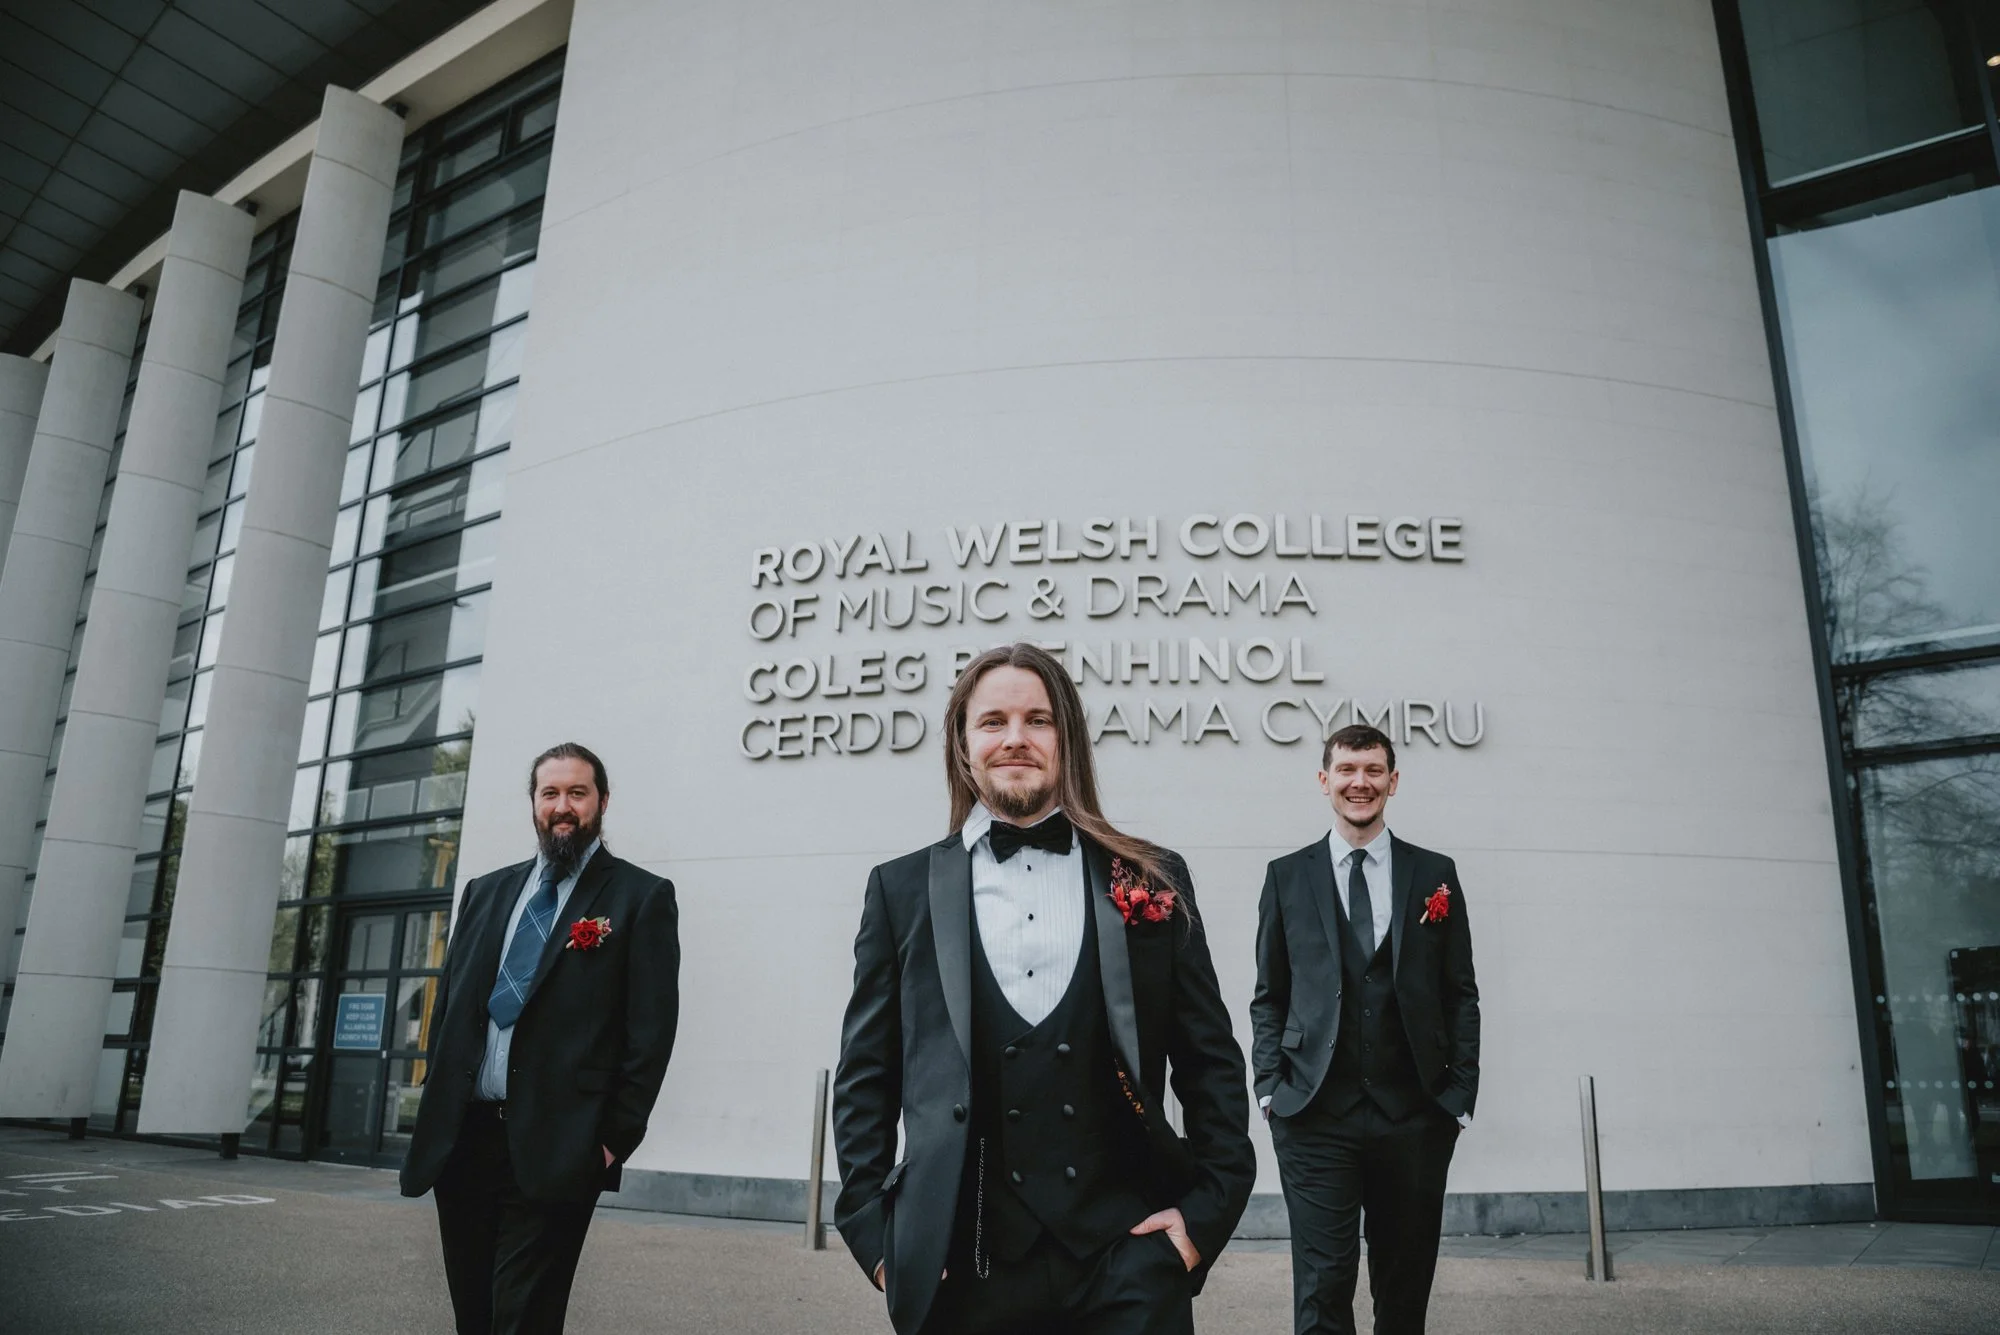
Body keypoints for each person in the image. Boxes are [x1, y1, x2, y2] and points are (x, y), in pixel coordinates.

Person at [833, 643, 1254, 1335]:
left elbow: (1211, 1062)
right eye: (992, 720)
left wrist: (1203, 1217)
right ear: (964, 745)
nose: (1016, 738)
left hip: (1130, 1263)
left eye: (1038, 719)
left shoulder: (1152, 876)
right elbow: (865, 1077)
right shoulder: (900, 889)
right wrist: (880, 1242)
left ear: (1069, 739)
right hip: (964, 1273)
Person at [400, 742, 681, 1334]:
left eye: (577, 793)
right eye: (550, 793)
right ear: (533, 803)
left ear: (602, 801)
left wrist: (611, 1141)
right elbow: (450, 1009)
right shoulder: (484, 892)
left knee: (524, 1317)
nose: (563, 806)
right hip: (465, 1140)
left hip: (561, 1146)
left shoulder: (639, 898)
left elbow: (649, 1034)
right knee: (474, 1314)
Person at [1249, 723, 1480, 1334]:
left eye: (1373, 771)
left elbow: (1461, 992)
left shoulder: (1435, 873)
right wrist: (1270, 1087)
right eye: (1347, 771)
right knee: (1322, 1287)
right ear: (1324, 780)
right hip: (1314, 1112)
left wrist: (1458, 1097)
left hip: (1415, 1113)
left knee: (1404, 1291)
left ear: (1393, 781)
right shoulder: (1286, 876)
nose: (1360, 783)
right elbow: (1269, 996)